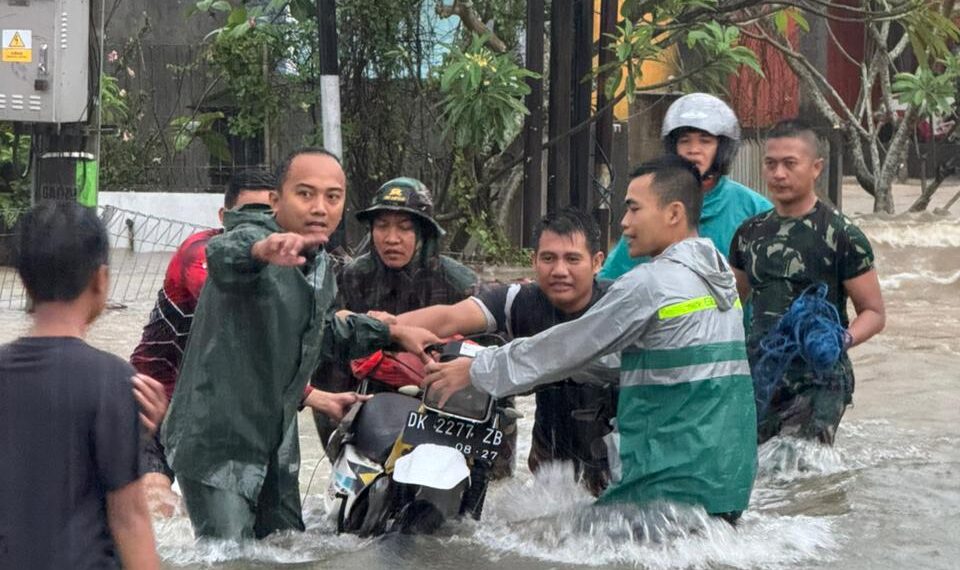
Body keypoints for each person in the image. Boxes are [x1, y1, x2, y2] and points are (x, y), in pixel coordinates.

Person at [423, 156, 757, 522]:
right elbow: (644, 364)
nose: (624, 222)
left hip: (667, 490)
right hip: (725, 486)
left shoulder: (650, 284)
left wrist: (476, 370)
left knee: (533, 536)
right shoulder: (719, 283)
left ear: (673, 213)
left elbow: (567, 346)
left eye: (634, 209)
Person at [160, 148, 440, 541]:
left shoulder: (321, 263)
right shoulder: (255, 236)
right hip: (217, 442)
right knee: (229, 556)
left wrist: (392, 334)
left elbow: (322, 334)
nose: (320, 207)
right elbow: (224, 253)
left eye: (332, 196)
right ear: (276, 200)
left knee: (288, 548)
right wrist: (261, 250)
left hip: (276, 440)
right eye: (305, 194)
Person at [396, 208, 616, 495]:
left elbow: (570, 354)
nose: (560, 270)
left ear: (597, 262)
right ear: (533, 261)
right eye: (548, 258)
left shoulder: (621, 306)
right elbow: (449, 317)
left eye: (572, 259)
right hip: (550, 467)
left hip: (620, 461)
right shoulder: (518, 301)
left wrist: (476, 370)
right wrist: (384, 326)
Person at [0, 202, 159, 569]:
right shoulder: (114, 380)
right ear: (100, 279)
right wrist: (135, 431)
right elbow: (130, 518)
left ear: (23, 280)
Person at [730, 119, 885, 445]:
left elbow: (873, 312)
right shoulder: (748, 234)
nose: (778, 174)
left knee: (804, 467)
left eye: (790, 164)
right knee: (760, 468)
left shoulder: (843, 235)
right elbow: (732, 305)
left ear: (816, 168)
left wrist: (841, 339)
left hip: (820, 379)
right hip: (762, 375)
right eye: (770, 164)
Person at [130, 169, 274, 512]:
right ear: (224, 217)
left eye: (268, 215)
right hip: (155, 401)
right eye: (248, 213)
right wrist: (311, 396)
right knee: (158, 506)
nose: (257, 225)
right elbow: (235, 317)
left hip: (216, 412)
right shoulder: (201, 253)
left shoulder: (284, 265)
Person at [311, 177, 477, 438]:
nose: (391, 239)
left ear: (424, 233)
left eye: (405, 228)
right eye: (382, 226)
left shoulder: (460, 283)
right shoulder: (352, 277)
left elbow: (492, 365)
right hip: (368, 402)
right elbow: (327, 352)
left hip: (443, 406)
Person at [600, 92, 771, 280]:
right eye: (685, 141)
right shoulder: (653, 202)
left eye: (705, 141)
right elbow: (610, 279)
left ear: (722, 147)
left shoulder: (754, 209)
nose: (693, 150)